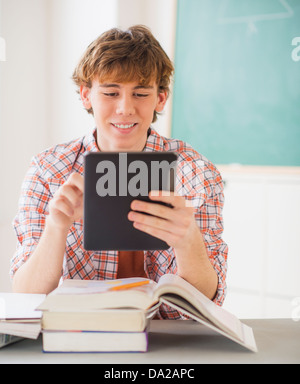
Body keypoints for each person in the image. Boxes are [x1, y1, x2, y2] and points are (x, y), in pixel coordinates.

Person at [10, 25, 228, 319]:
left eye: (140, 93)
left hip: (170, 341)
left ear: (160, 99)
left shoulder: (197, 173)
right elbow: (25, 296)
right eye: (111, 92)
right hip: (79, 334)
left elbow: (208, 303)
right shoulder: (48, 171)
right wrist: (56, 227)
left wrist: (188, 239)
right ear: (86, 96)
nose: (125, 108)